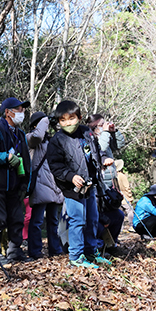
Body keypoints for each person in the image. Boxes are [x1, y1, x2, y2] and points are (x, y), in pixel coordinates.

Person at [46, 100, 112, 269]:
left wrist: (104, 160)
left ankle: (91, 252)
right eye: (63, 120)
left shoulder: (86, 133)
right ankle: (76, 256)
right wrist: (70, 176)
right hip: (72, 189)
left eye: (71, 118)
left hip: (90, 185)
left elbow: (98, 152)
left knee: (92, 219)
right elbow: (55, 166)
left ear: (80, 118)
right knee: (77, 221)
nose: (67, 123)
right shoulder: (57, 140)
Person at [0, 97, 33, 265]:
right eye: (18, 109)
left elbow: (25, 159)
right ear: (7, 112)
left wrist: (26, 183)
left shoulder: (20, 133)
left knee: (17, 217)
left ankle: (14, 250)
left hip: (15, 184)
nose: (22, 113)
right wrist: (6, 157)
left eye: (23, 110)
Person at [25, 112, 64, 259]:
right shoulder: (31, 139)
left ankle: (55, 249)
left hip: (54, 186)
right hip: (40, 186)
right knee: (37, 221)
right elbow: (37, 136)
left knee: (53, 221)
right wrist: (46, 119)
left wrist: (56, 123)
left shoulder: (51, 141)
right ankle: (35, 251)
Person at [86, 114, 124, 252]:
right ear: (95, 128)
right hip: (98, 185)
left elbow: (119, 145)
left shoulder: (106, 137)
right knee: (98, 215)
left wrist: (115, 131)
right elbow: (100, 148)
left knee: (117, 214)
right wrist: (106, 133)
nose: (105, 126)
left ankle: (111, 243)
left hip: (111, 183)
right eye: (102, 124)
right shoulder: (90, 140)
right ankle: (97, 245)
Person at [115, 159, 134, 227]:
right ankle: (131, 225)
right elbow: (127, 187)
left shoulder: (115, 175)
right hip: (124, 196)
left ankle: (120, 227)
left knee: (120, 212)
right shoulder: (122, 176)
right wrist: (130, 196)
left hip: (118, 196)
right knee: (130, 211)